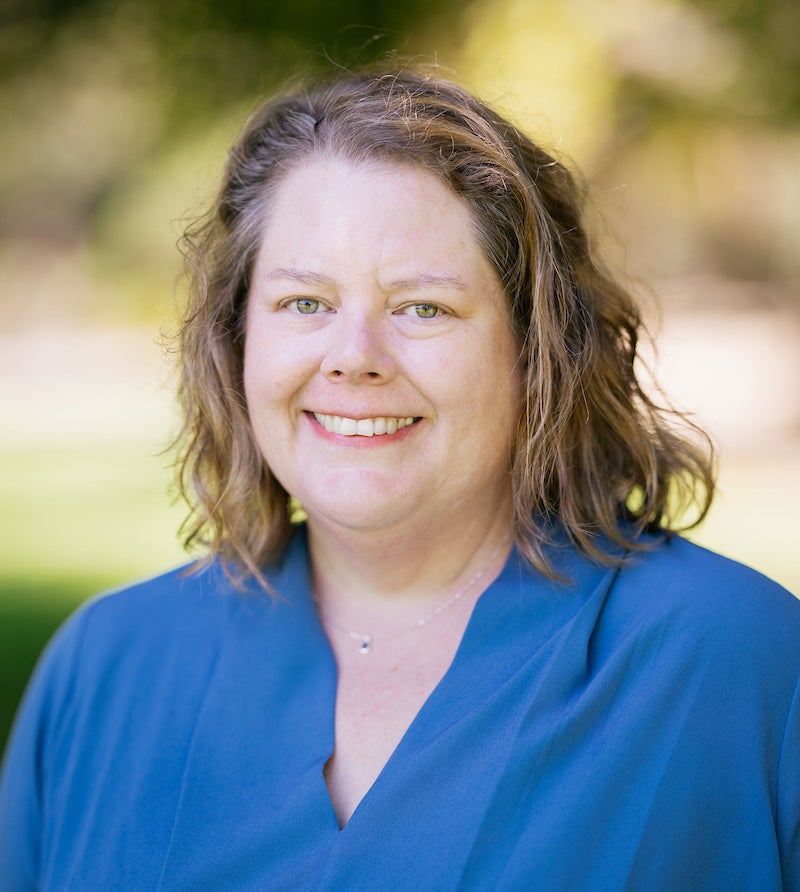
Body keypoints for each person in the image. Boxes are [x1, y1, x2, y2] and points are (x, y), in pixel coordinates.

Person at [1, 65, 798, 891]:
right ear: (238, 342)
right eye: (304, 303)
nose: (353, 359)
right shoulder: (105, 670)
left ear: (539, 351)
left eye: (423, 307)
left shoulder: (736, 666)